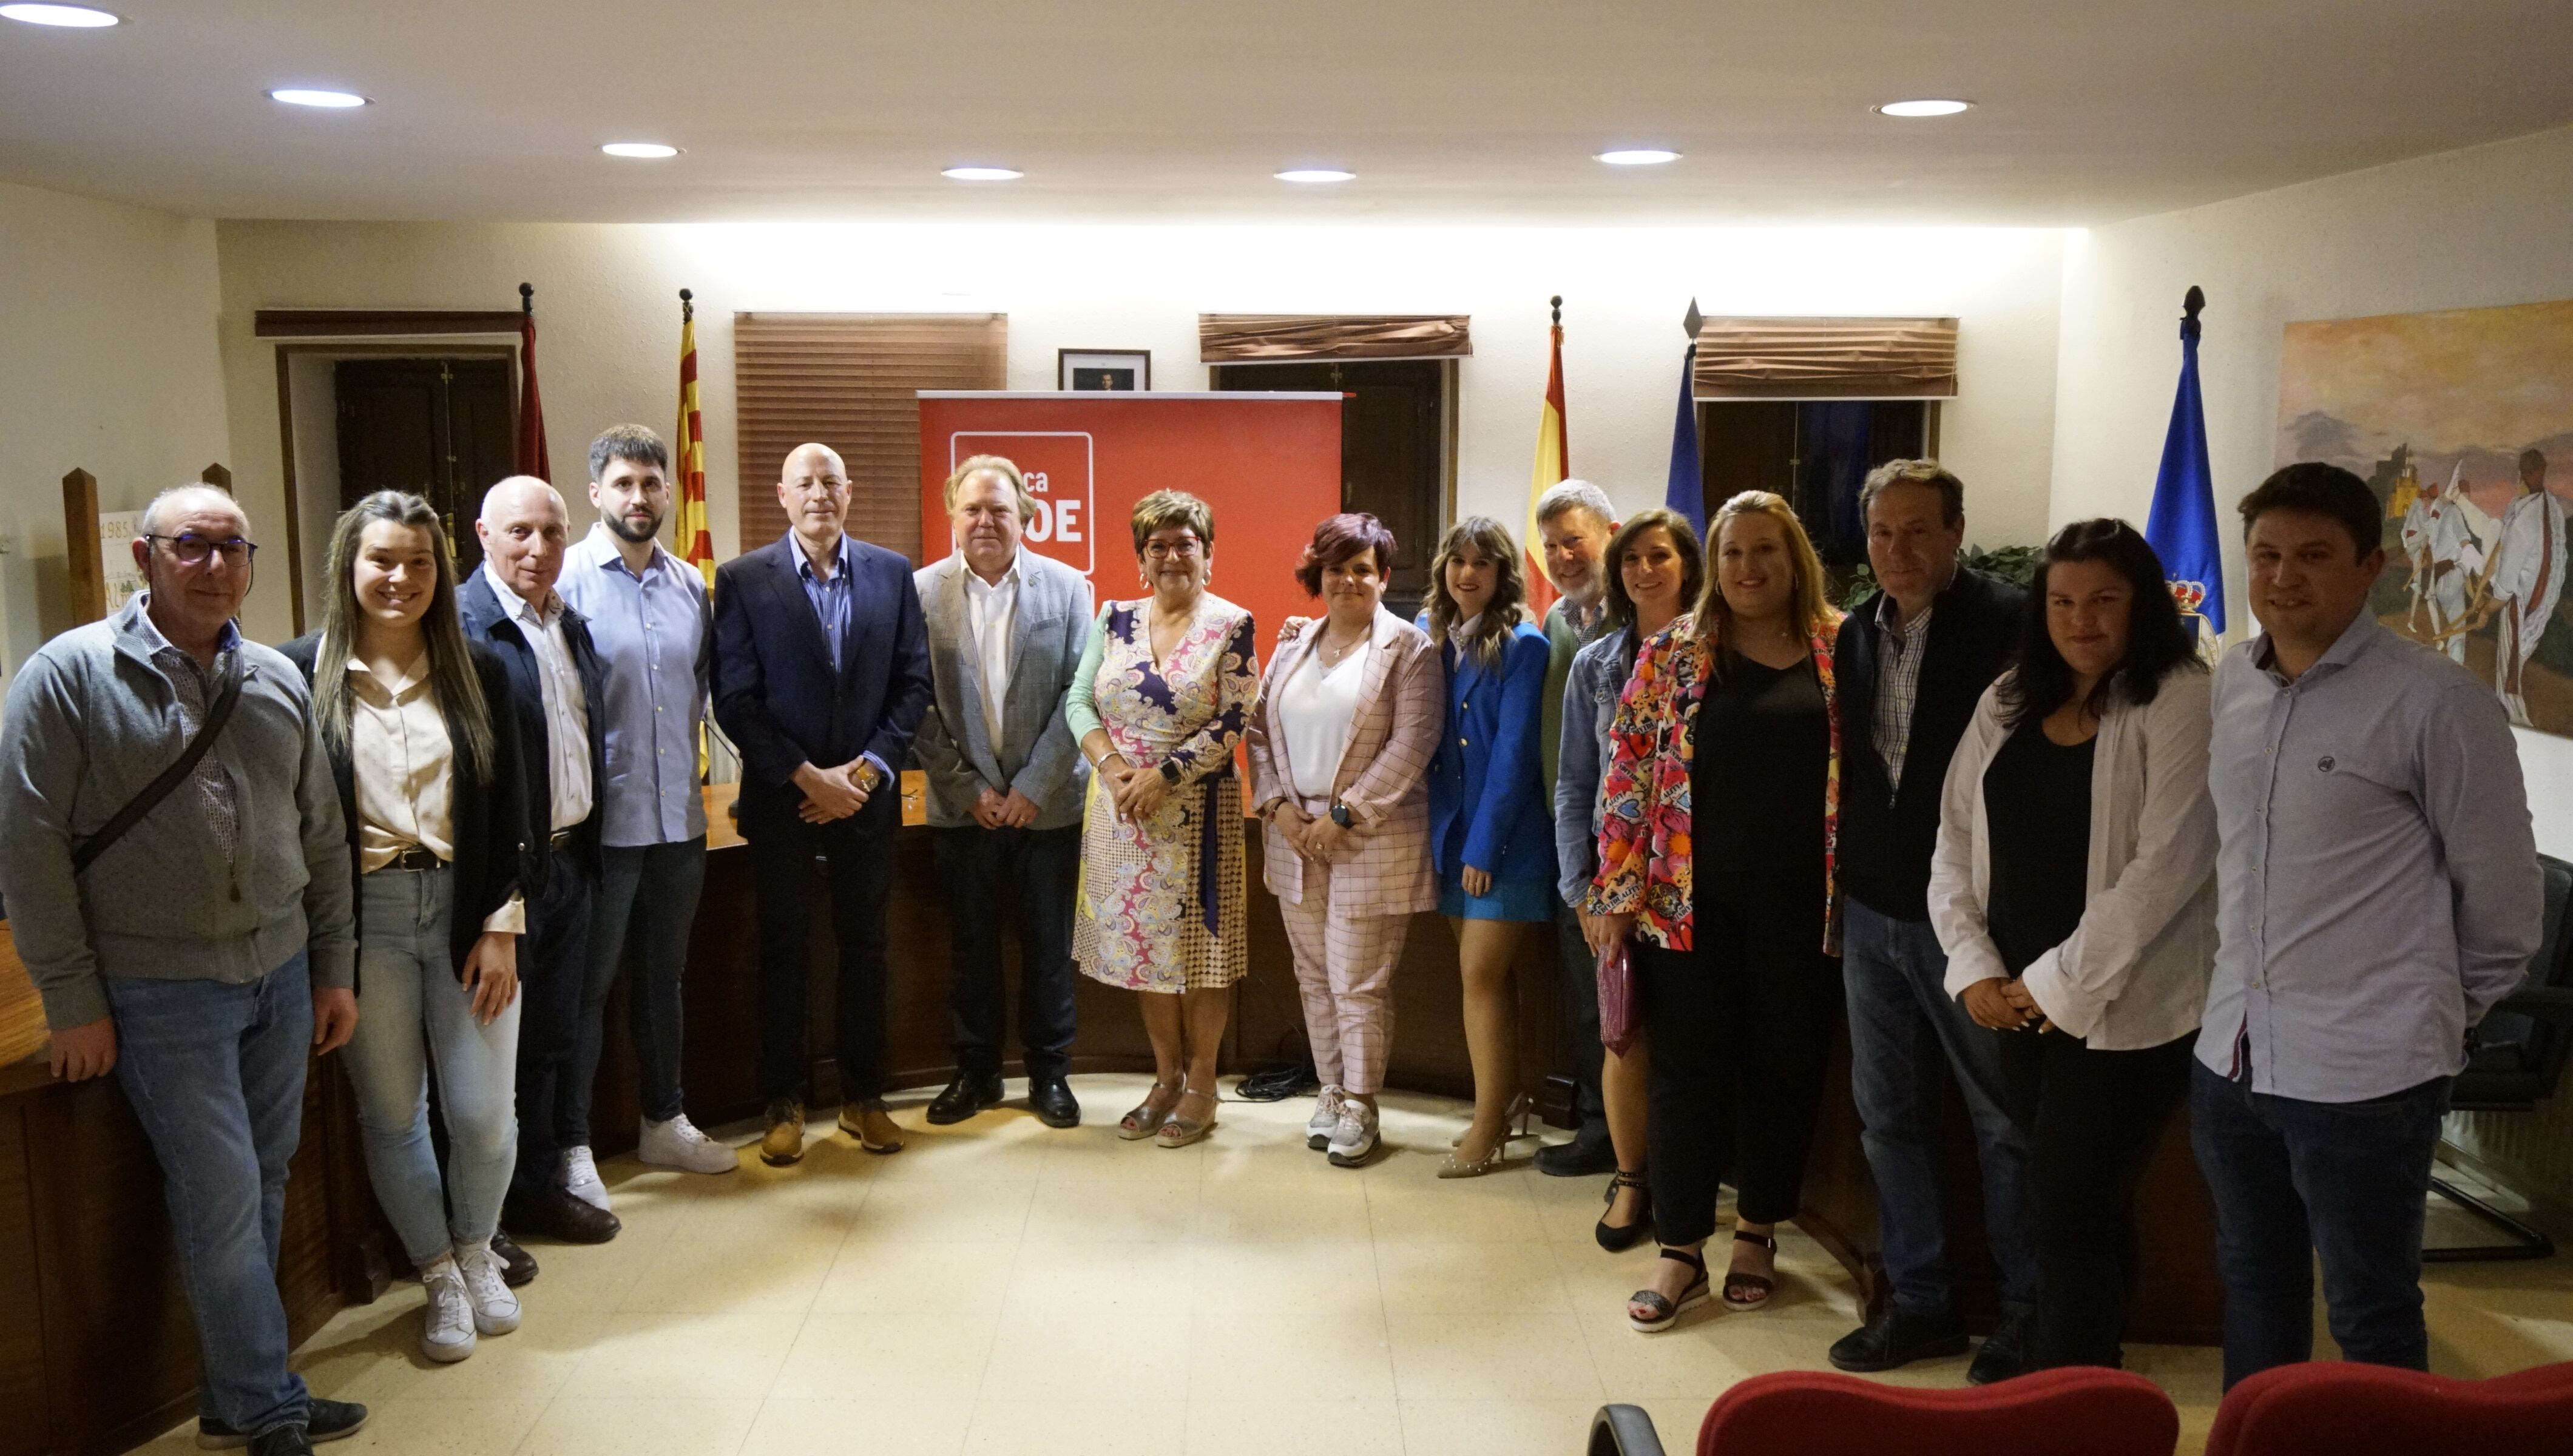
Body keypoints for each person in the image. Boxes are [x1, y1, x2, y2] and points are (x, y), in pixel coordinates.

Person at [0, 487, 365, 1455]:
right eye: (190, 548)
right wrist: (72, 1001)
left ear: (251, 562)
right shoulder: (68, 678)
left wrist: (335, 969)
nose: (213, 566)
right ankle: (264, 1404)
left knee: (267, 1178)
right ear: (147, 560)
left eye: (231, 549)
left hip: (280, 974)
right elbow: (27, 853)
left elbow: (322, 839)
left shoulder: (278, 680)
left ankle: (239, 1386)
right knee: (223, 1193)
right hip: (161, 993)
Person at [2194, 462, 2542, 1389]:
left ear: (2371, 566)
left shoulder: (2436, 701)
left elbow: (2506, 903)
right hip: (2232, 1057)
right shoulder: (2233, 682)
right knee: (2255, 1287)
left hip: (2367, 1073)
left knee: (2370, 1309)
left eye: (2313, 556)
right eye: (2266, 555)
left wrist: (2431, 1015)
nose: (2282, 577)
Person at [1927, 518, 2217, 1372]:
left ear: (2144, 605)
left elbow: (2168, 868)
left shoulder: (2181, 698)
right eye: (2061, 601)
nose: (2080, 620)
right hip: (2015, 1002)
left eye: (2103, 600)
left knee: (2065, 1206)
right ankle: (2094, 1385)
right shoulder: (2011, 696)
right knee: (2081, 1208)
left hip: (2124, 1010)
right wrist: (1976, 966)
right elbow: (1952, 836)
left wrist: (2051, 987)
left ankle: (2068, 1395)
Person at [282, 490, 532, 1365]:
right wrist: (325, 954)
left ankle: (476, 1249)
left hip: (469, 914)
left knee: (485, 1117)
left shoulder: (481, 669)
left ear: (441, 570)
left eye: (419, 563)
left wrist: (502, 924)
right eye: (382, 560)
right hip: (365, 922)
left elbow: (512, 810)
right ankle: (438, 1276)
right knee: (392, 1116)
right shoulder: (300, 675)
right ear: (349, 567)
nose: (400, 578)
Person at [1589, 491, 1843, 1331]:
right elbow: (1624, 779)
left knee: (1783, 1068)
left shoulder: (1844, 647)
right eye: (1733, 553)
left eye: (1766, 551)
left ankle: (1759, 1230)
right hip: (1685, 905)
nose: (1748, 568)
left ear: (1794, 558)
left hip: (1808, 907)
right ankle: (1682, 1244)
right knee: (1686, 1073)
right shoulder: (1671, 654)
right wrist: (1617, 894)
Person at [1826, 458, 2038, 1383]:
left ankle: (2027, 1315)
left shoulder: (2015, 623)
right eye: (1882, 532)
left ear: (1956, 532)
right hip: (1872, 913)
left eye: (1919, 530)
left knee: (2003, 1124)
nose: (1898, 550)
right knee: (1890, 1121)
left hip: (1975, 925)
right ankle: (1921, 1305)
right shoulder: (1855, 635)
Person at [715, 442, 933, 1165]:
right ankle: (784, 1102)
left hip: (866, 803)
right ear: (783, 494)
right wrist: (808, 778)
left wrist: (865, 775)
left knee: (866, 950)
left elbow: (913, 685)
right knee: (783, 952)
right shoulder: (744, 579)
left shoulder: (891, 573)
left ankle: (863, 1098)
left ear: (849, 491)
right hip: (783, 802)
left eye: (830, 482)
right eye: (804, 483)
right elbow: (735, 699)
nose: (818, 494)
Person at [555, 426, 737, 1182]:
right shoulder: (563, 582)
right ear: (595, 493)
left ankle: (664, 1119)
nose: (639, 497)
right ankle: (570, 1148)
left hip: (678, 826)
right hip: (602, 831)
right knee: (587, 993)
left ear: (669, 491)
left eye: (651, 484)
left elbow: (702, 695)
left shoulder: (690, 584)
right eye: (623, 484)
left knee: (664, 983)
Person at [1246, 513, 1441, 1166]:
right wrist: (1276, 809)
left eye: (1362, 568)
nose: (1348, 580)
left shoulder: (1408, 648)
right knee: (1313, 976)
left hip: (1367, 838)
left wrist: (1345, 815)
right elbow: (1257, 733)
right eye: (1336, 568)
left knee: (1357, 981)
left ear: (1383, 577)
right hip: (1292, 836)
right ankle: (1330, 1090)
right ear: (1318, 575)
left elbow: (1412, 744)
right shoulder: (1294, 642)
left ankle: (1363, 1102)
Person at [1068, 490, 1257, 1147]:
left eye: (1186, 543)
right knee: (1142, 952)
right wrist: (1116, 769)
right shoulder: (1113, 617)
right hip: (1122, 812)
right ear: (1140, 558)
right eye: (1159, 546)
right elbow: (1078, 703)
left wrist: (1163, 775)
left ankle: (1203, 1083)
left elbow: (1234, 718)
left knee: (1200, 955)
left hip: (1198, 811)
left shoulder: (1232, 624)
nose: (1173, 555)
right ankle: (1165, 1075)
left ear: (1208, 553)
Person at [912, 454, 1094, 1129]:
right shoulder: (921, 591)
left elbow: (1083, 693)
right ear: (952, 514)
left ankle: (1051, 1076)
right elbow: (915, 702)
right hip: (965, 812)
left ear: (1027, 516)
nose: (985, 521)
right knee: (971, 951)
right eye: (972, 509)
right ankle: (977, 1073)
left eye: (1000, 510)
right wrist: (971, 790)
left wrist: (1033, 787)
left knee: (1049, 949)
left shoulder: (1069, 588)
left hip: (1047, 810)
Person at [459, 477, 618, 1245]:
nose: (538, 548)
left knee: (551, 1042)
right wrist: (498, 897)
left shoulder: (568, 625)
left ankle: (533, 1190)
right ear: (482, 534)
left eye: (552, 533)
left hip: (570, 867)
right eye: (519, 532)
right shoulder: (460, 629)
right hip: (501, 884)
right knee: (488, 1059)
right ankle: (478, 1225)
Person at [1554, 507, 1700, 1249]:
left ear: (1687, 564)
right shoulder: (1597, 663)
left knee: (1690, 1045)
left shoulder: (1718, 652)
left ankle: (1686, 1186)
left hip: (1695, 883)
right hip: (1614, 886)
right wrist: (1581, 888)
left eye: (1660, 556)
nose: (1645, 570)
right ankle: (1632, 1178)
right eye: (1632, 559)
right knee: (1624, 1034)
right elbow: (1575, 784)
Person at [1421, 515, 1557, 1177]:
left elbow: (1513, 757)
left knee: (1479, 976)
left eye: (1481, 563)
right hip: (1450, 837)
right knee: (1486, 984)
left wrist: (1483, 848)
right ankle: (1502, 1104)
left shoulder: (1522, 644)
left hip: (1503, 843)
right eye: (1457, 561)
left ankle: (1487, 1126)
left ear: (1502, 573)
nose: (1466, 573)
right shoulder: (1436, 636)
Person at [1530, 480, 1625, 1179]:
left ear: (1611, 534)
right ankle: (1602, 1132)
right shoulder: (1559, 622)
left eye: (1575, 540)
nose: (1564, 556)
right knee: (1589, 1004)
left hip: (1647, 853)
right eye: (1552, 545)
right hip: (1576, 849)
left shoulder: (1650, 618)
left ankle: (1651, 1150)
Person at [2488, 448, 2565, 724]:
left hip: (2519, 606)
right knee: (2514, 673)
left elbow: (2506, 586)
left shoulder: (2523, 519)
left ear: (2523, 475)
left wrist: (2486, 608)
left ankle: (2515, 726)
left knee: (2508, 680)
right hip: (2537, 603)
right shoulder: (2548, 506)